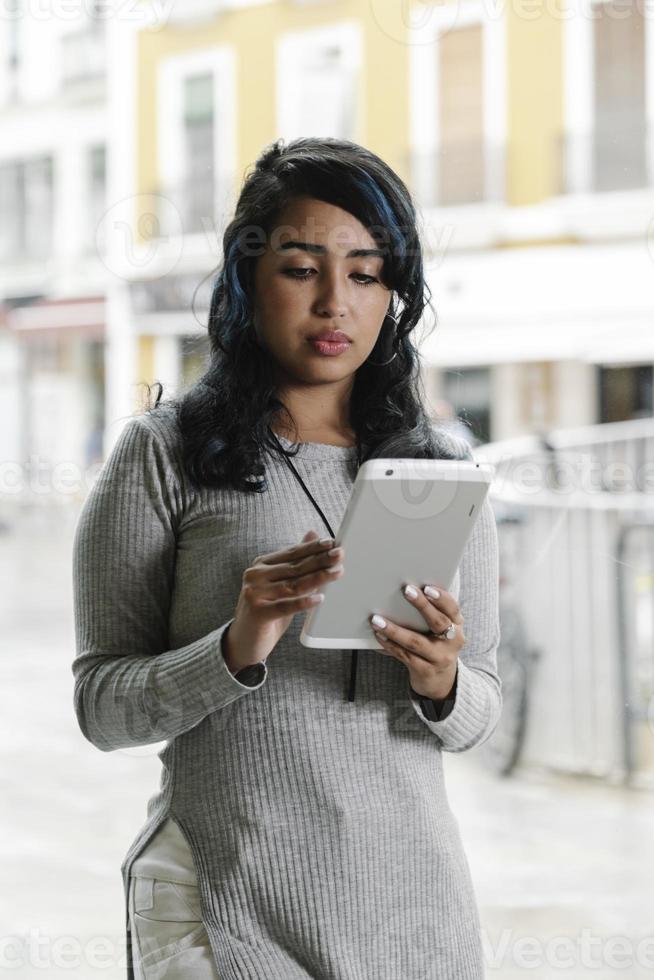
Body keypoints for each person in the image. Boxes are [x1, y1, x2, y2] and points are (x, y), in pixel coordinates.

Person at [72, 136, 502, 980]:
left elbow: (480, 710)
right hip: (222, 899)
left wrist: (442, 678)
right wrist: (237, 643)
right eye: (302, 269)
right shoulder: (163, 454)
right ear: (246, 280)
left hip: (410, 906)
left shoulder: (440, 472)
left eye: (367, 273)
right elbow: (100, 708)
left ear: (395, 293)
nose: (335, 303)